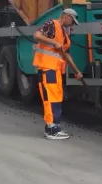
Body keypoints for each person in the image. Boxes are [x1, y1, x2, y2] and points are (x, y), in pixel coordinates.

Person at [32, 8, 84, 139]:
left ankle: (55, 126)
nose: (72, 25)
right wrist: (53, 42)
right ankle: (52, 129)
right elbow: (36, 35)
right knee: (50, 98)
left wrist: (77, 72)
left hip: (55, 69)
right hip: (47, 68)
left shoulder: (64, 35)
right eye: (72, 21)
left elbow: (66, 55)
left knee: (56, 97)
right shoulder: (52, 24)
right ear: (66, 16)